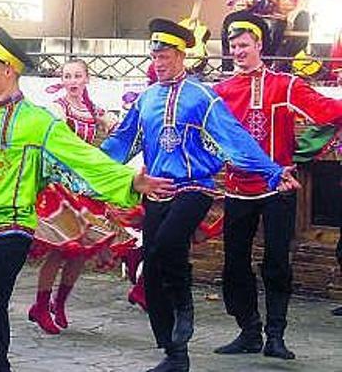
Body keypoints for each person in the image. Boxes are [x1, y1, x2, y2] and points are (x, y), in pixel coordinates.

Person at [0, 26, 174, 372]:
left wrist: (130, 179)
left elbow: (82, 157)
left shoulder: (38, 121)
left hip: (13, 227)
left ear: (8, 70)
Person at [101, 19, 299, 372]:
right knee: (152, 262)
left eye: (165, 56)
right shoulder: (145, 99)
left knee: (165, 247)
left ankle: (185, 308)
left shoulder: (202, 96)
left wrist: (271, 171)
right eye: (154, 56)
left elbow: (233, 137)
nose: (158, 62)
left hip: (194, 187)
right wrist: (84, 168)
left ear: (181, 56)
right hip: (157, 190)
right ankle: (174, 350)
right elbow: (119, 143)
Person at [211, 11, 342, 360]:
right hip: (238, 187)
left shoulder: (284, 85)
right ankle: (248, 330)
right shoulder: (219, 92)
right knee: (235, 263)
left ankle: (276, 335)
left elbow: (325, 109)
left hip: (279, 187)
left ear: (259, 46)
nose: (238, 51)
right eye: (232, 46)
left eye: (244, 45)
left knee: (277, 263)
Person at [28, 59, 142, 334]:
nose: (72, 81)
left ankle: (60, 302)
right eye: (68, 76)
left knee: (81, 251)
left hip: (86, 187)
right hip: (62, 189)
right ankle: (41, 305)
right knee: (60, 249)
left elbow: (118, 127)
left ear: (86, 79)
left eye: (77, 75)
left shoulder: (92, 108)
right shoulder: (58, 108)